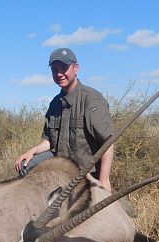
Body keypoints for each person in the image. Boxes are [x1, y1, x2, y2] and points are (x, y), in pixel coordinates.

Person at [15, 48, 114, 192]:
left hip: (84, 170)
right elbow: (49, 141)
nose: (59, 74)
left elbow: (108, 142)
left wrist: (104, 180)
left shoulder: (92, 99)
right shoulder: (55, 103)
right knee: (24, 166)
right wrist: (32, 151)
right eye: (55, 70)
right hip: (60, 164)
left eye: (64, 68)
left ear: (76, 68)